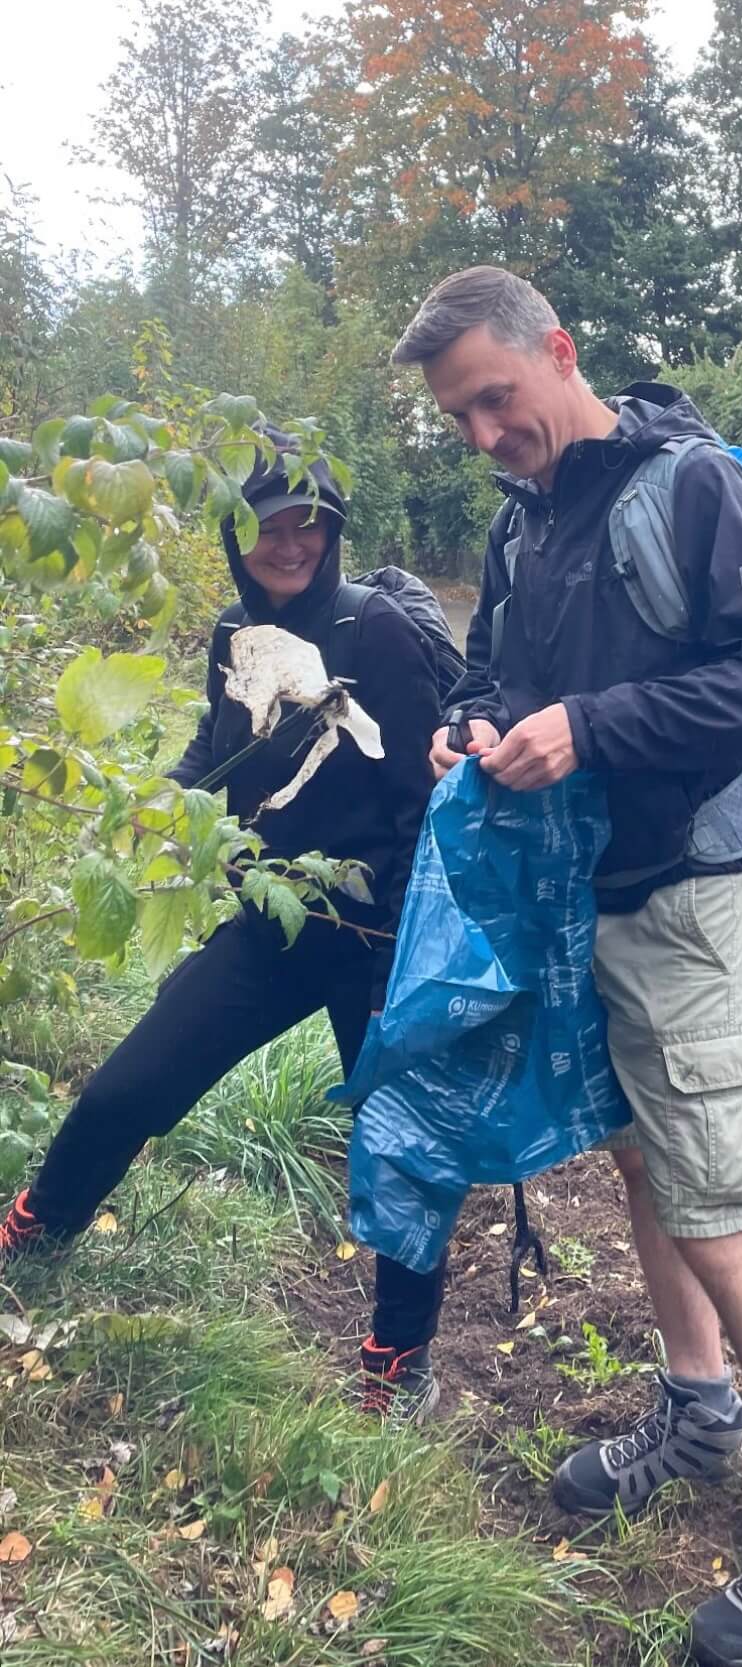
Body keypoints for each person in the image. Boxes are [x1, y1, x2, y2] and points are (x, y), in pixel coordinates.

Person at [393, 266, 742, 1664]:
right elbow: (489, 669)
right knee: (643, 1163)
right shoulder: (522, 519)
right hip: (577, 891)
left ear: (558, 352)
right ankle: (697, 1406)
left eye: (497, 398)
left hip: (679, 892)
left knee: (718, 1205)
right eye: (459, 417)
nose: (484, 432)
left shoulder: (690, 486)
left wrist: (591, 726)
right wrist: (466, 724)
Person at [0, 441, 448, 1420]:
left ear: (332, 531)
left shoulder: (372, 632)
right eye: (263, 528)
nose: (286, 545)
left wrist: (400, 951)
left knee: (398, 1149)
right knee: (129, 1084)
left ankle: (398, 1359)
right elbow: (219, 743)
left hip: (374, 937)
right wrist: (164, 802)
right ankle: (36, 1230)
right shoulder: (232, 630)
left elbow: (425, 796)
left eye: (305, 525)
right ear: (233, 538)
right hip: (270, 919)